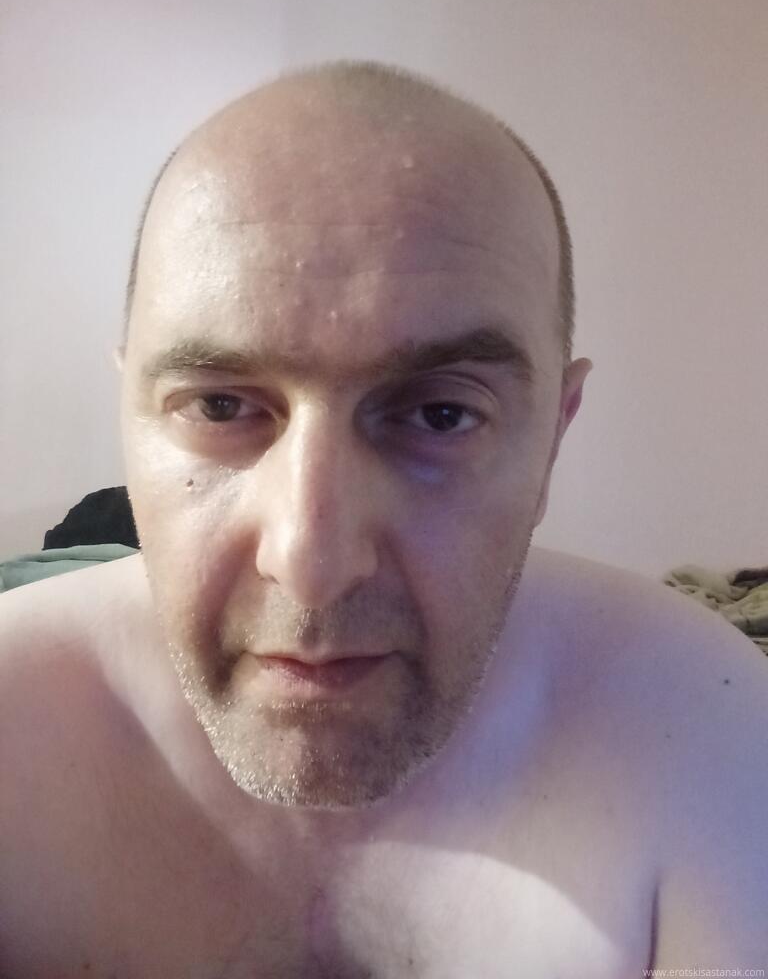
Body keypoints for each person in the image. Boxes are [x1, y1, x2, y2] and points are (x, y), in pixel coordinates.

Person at [1, 61, 766, 978]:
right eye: (219, 406)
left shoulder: (703, 721)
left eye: (439, 415)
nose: (311, 562)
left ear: (553, 436)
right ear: (129, 417)